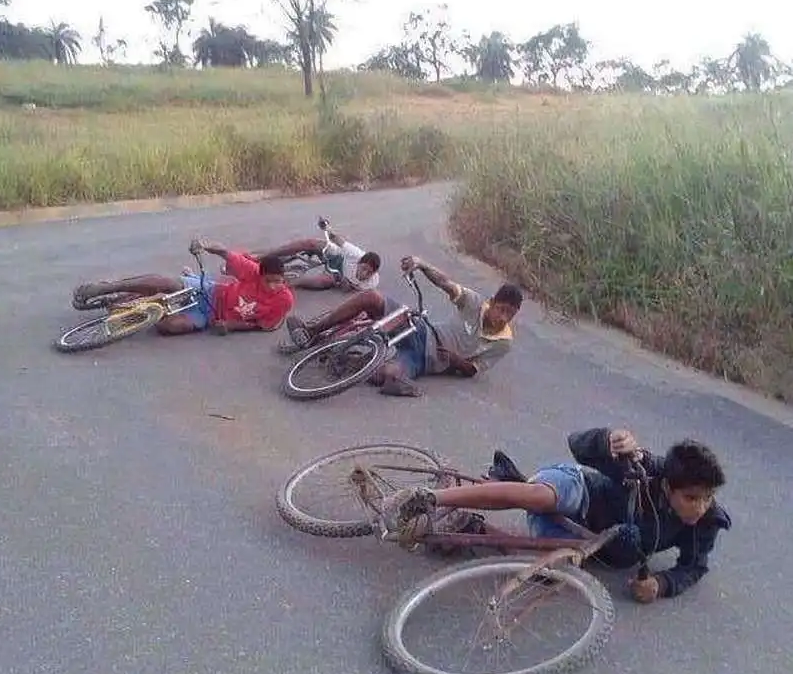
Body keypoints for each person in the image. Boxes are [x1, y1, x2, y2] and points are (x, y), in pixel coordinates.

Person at [381, 427, 731, 603]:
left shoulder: (707, 521)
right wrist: (609, 439)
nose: (700, 506)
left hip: (586, 540)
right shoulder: (643, 470)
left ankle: (474, 528)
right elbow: (578, 445)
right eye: (692, 498)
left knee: (552, 575)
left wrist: (662, 584)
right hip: (578, 491)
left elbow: (693, 567)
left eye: (708, 497)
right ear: (667, 487)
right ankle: (427, 499)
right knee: (541, 497)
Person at [285, 255, 524, 396]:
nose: (503, 317)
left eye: (510, 314)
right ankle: (311, 331)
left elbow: (475, 369)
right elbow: (446, 283)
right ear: (492, 302)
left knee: (387, 376)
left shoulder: (503, 343)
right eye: (501, 309)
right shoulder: (475, 303)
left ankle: (347, 359)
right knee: (372, 298)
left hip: (425, 360)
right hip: (421, 329)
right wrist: (422, 264)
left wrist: (455, 360)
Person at [71, 238, 294, 336]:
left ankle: (133, 311)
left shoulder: (284, 300)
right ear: (260, 274)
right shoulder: (252, 271)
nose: (274, 286)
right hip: (211, 292)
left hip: (209, 316)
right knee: (165, 283)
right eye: (269, 281)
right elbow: (225, 252)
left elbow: (262, 326)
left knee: (168, 327)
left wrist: (231, 326)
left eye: (279, 281)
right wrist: (204, 245)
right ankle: (107, 288)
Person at [258, 217, 381, 292]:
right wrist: (327, 228)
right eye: (364, 268)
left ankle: (284, 284)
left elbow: (352, 290)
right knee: (311, 243)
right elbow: (337, 239)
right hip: (338, 257)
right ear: (359, 262)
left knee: (324, 281)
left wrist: (347, 285)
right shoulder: (355, 253)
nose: (365, 274)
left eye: (369, 273)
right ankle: (264, 257)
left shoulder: (371, 283)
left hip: (338, 275)